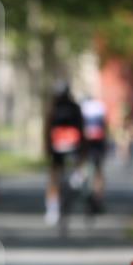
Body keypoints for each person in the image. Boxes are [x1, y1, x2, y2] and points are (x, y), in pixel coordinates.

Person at [44, 81, 84, 225]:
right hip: (69, 147)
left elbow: (47, 130)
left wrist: (47, 147)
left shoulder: (54, 108)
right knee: (56, 177)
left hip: (62, 147)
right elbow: (81, 130)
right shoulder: (74, 108)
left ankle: (52, 208)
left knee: (54, 177)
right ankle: (53, 207)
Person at [80, 93, 108, 214]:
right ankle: (98, 198)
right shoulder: (100, 106)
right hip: (98, 142)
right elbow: (104, 126)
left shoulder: (82, 107)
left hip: (85, 142)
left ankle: (81, 181)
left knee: (83, 165)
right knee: (98, 171)